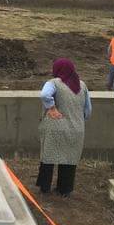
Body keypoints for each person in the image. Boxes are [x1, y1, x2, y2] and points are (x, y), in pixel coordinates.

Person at [37, 58, 91, 196]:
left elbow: (44, 94)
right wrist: (78, 119)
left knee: (48, 158)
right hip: (76, 129)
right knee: (69, 159)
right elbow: (88, 110)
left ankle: (44, 187)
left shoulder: (53, 83)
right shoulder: (82, 85)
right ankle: (65, 189)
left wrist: (52, 107)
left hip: (55, 127)